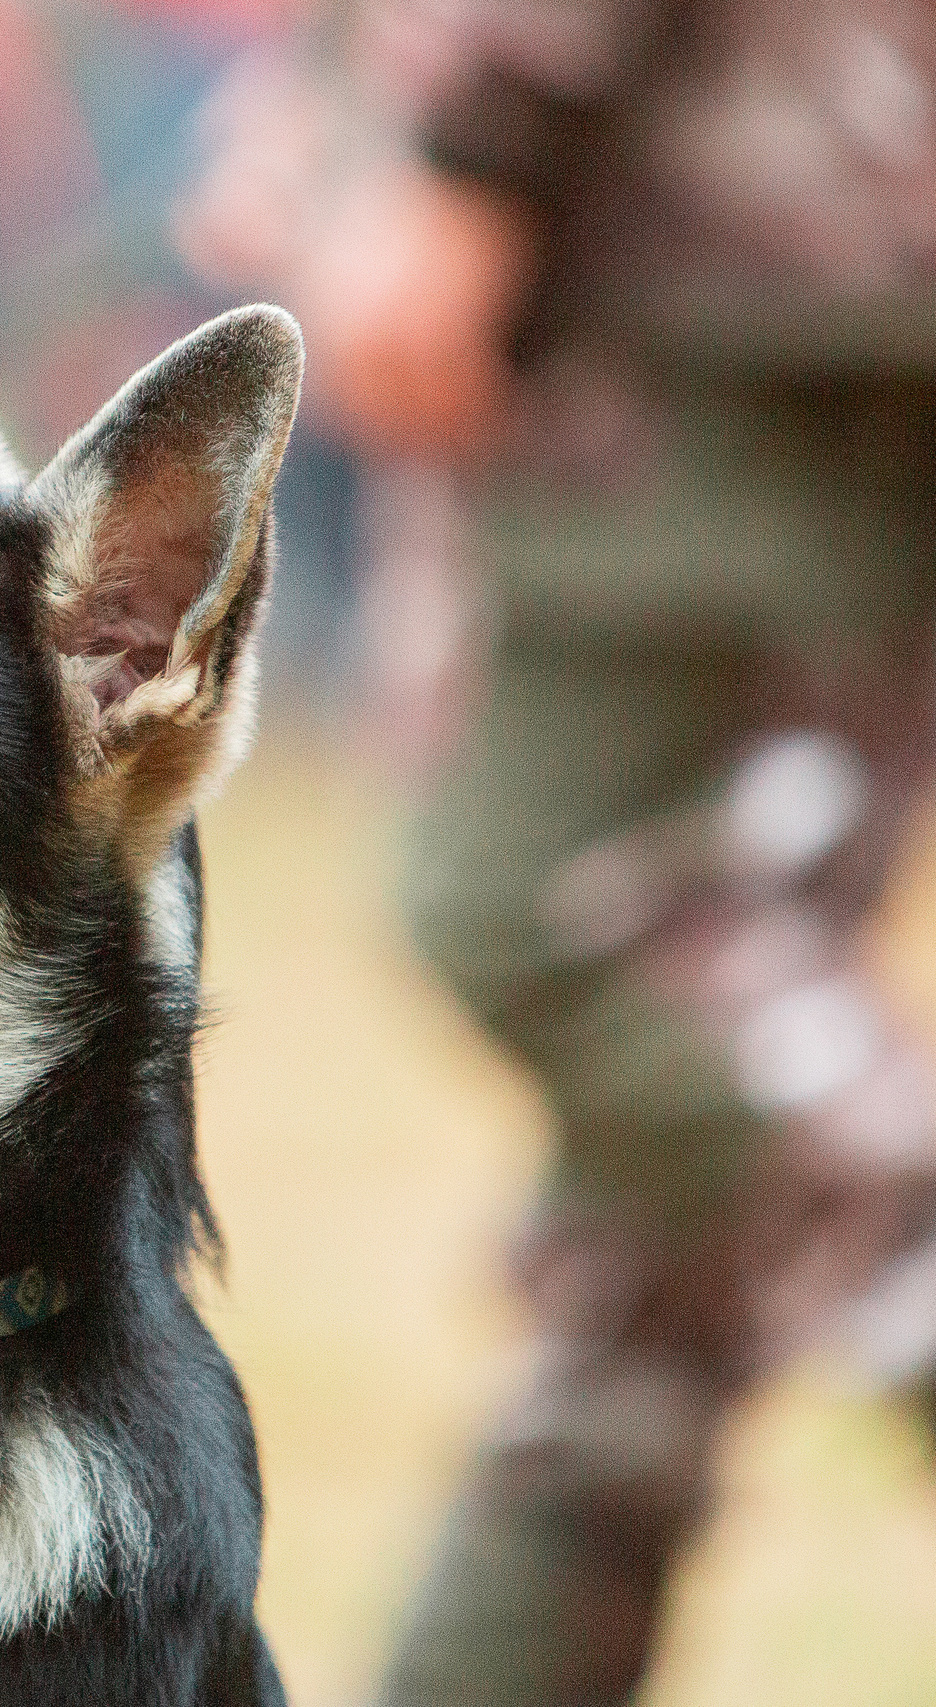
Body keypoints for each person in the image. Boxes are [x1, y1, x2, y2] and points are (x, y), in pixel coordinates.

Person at [180, 2, 936, 1701]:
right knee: (676, 1159)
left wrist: (467, 147)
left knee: (575, 915)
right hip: (802, 232)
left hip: (706, 249)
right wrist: (337, 107)